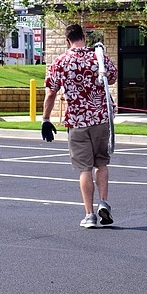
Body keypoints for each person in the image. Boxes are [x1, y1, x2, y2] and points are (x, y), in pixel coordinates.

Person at [41, 24, 117, 229]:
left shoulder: (61, 61)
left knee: (84, 169)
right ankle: (103, 202)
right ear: (84, 37)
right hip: (101, 119)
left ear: (67, 40)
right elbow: (112, 77)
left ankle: (90, 214)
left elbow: (51, 93)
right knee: (101, 163)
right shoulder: (98, 57)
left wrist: (46, 119)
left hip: (77, 121)